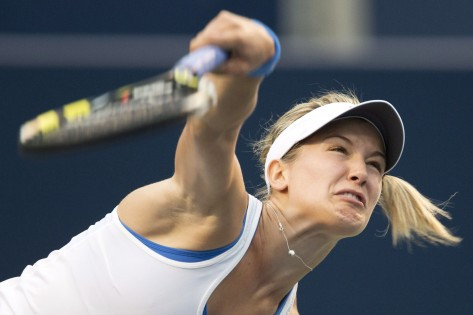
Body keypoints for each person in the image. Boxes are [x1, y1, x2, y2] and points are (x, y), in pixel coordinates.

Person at [0, 11, 461, 315]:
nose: (361, 171)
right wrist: (254, 62)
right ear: (277, 172)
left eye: (376, 164)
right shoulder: (212, 211)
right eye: (339, 150)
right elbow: (215, 127)